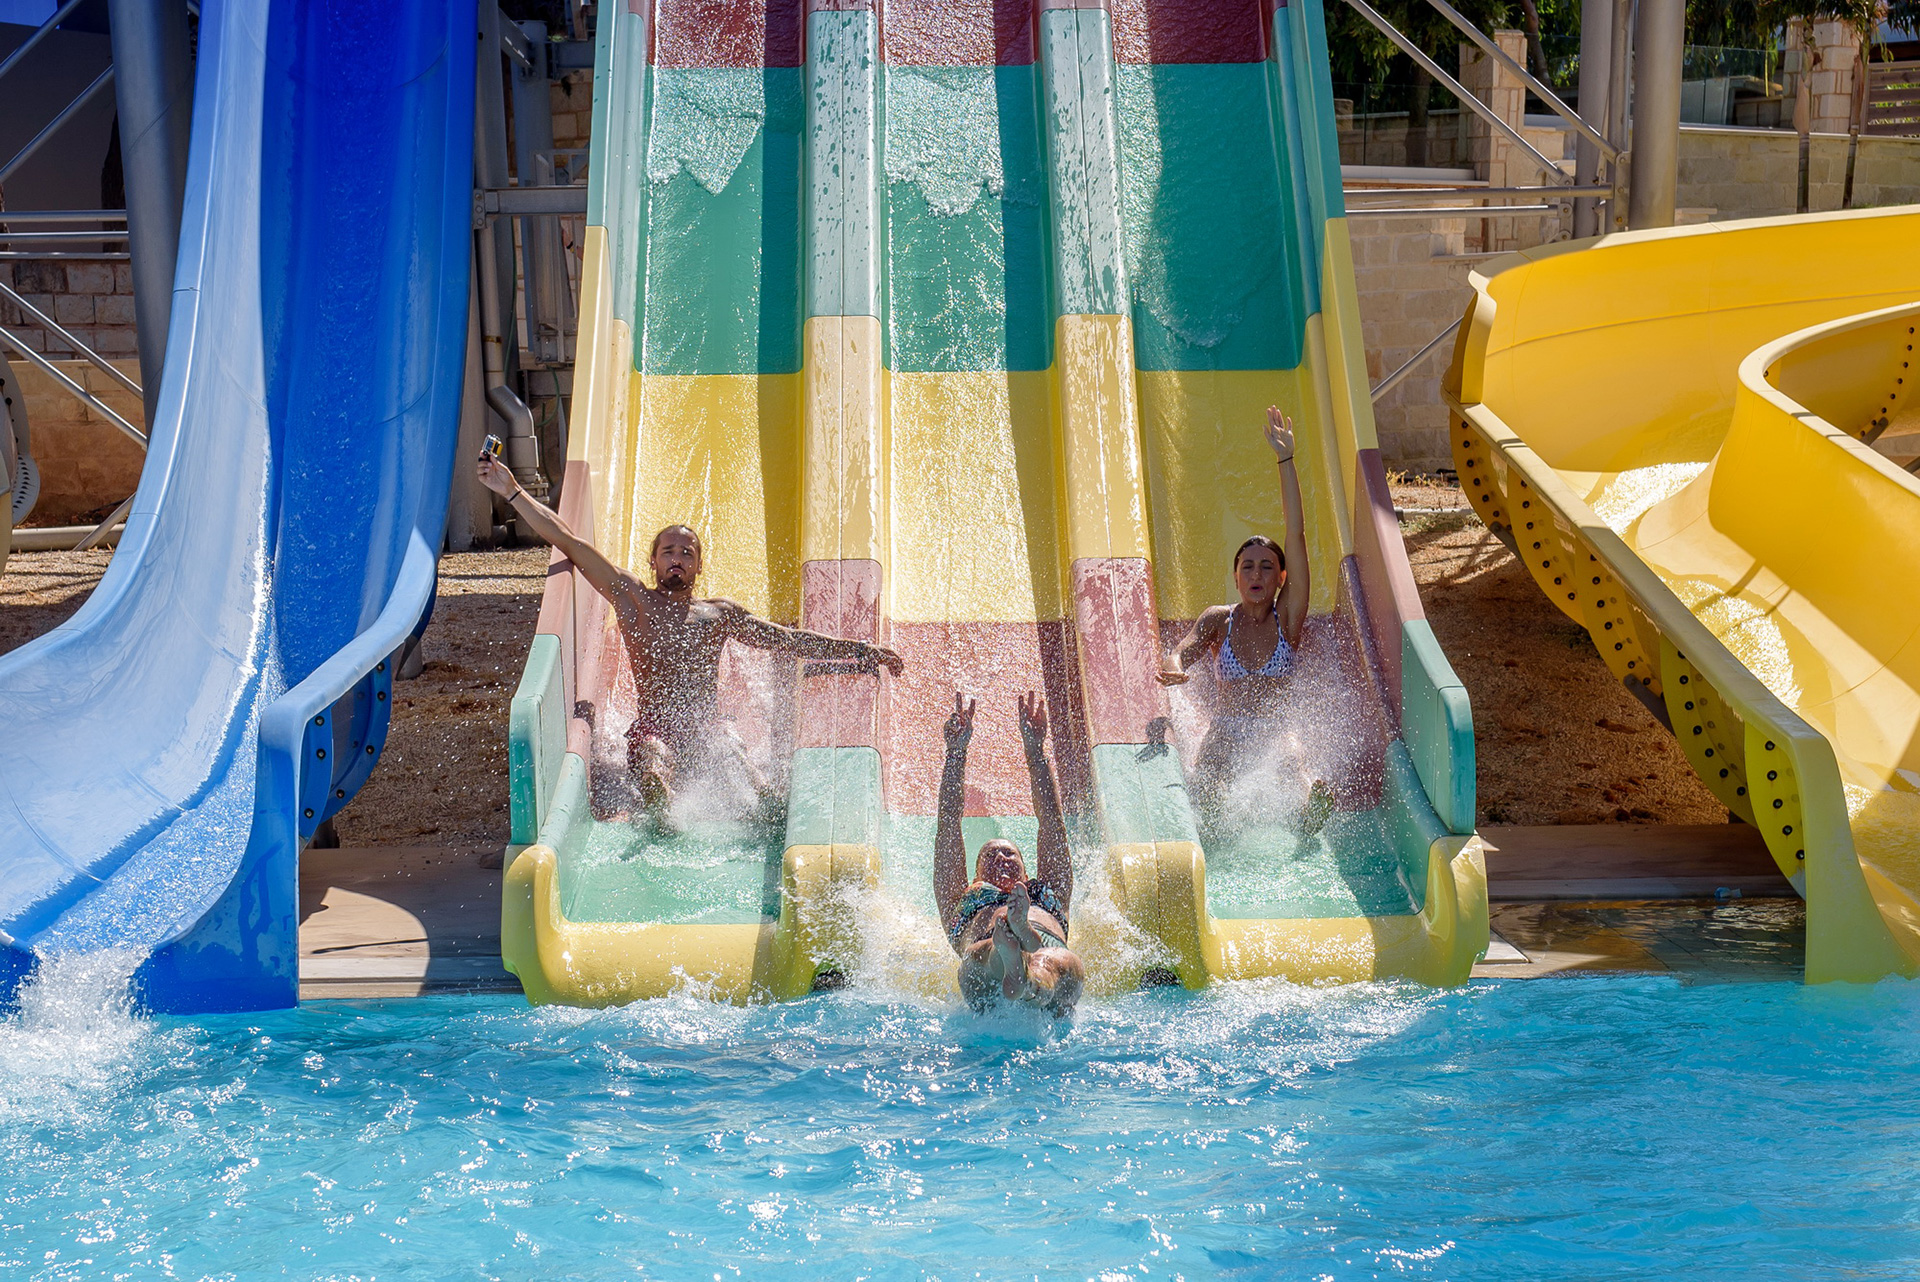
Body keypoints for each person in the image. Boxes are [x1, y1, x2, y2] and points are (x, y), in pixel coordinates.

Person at [477, 455, 903, 819]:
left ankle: (773, 817)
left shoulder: (719, 614)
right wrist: (512, 490)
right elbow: (569, 541)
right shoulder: (632, 599)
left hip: (707, 727)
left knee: (745, 772)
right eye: (668, 552)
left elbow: (787, 642)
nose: (677, 559)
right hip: (656, 724)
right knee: (653, 767)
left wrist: (860, 651)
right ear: (653, 561)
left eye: (687, 553)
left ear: (699, 567)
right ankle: (664, 819)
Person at [1156, 407, 1333, 836]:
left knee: (1294, 766)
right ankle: (1216, 825)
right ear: (1236, 576)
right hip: (1228, 730)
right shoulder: (1220, 620)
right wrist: (1176, 666)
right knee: (1210, 790)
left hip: (1274, 731)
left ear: (1281, 578)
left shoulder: (1288, 618)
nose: (1256, 575)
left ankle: (1310, 811)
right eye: (1248, 567)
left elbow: (1296, 535)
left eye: (1267, 567)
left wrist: (1285, 460)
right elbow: (1183, 651)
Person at [935, 691, 1085, 1018]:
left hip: (1046, 946)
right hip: (987, 950)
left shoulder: (1046, 894)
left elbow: (1051, 825)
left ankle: (1023, 968)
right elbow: (948, 826)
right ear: (975, 878)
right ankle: (1014, 957)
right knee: (984, 960)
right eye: (991, 856)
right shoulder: (963, 904)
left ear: (1026, 873)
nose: (1001, 859)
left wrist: (1036, 752)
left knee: (1058, 962)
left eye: (1009, 855)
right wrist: (955, 754)